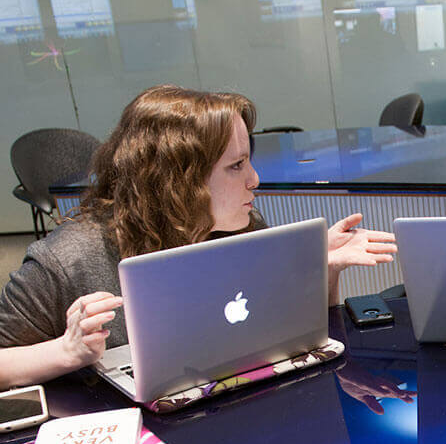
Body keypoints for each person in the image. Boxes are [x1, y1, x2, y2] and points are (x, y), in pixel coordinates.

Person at [0, 85, 397, 389]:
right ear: (178, 181)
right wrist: (65, 351)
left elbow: (291, 339)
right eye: (237, 165)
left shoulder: (242, 226)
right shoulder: (66, 260)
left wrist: (319, 269)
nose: (254, 180)